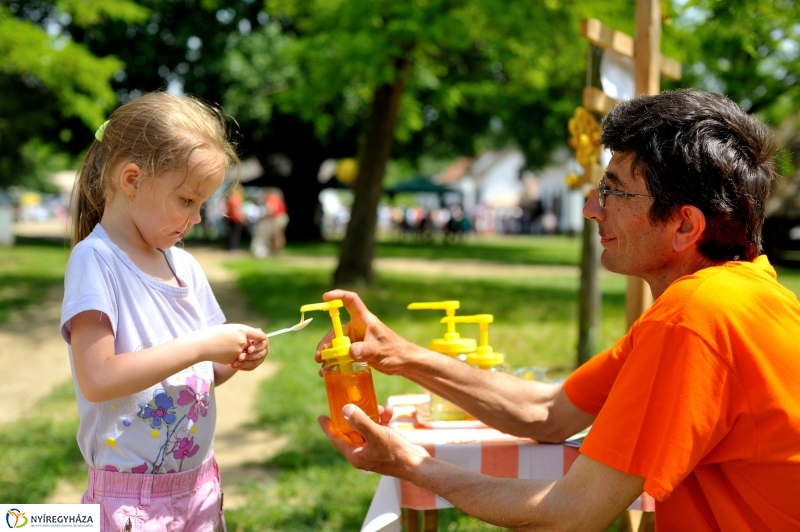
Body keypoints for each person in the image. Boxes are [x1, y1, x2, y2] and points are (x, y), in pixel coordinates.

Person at [314, 90, 800, 531]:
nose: (592, 207)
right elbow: (548, 412)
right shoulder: (743, 290)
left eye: (615, 190)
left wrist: (408, 464)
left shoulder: (695, 318)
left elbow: (570, 513)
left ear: (684, 225)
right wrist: (399, 354)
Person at [61, 92, 269, 531]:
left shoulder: (185, 267)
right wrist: (201, 345)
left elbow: (205, 369)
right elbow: (97, 379)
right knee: (25, 523)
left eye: (202, 204)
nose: (195, 218)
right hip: (130, 505)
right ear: (132, 180)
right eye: (187, 200)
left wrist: (234, 358)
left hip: (199, 487)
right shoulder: (95, 260)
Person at [224, 182, 247, 252]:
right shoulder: (235, 199)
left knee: (233, 234)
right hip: (235, 219)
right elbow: (236, 210)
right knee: (234, 234)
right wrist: (241, 218)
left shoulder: (231, 198)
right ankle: (232, 248)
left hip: (231, 218)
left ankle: (232, 247)